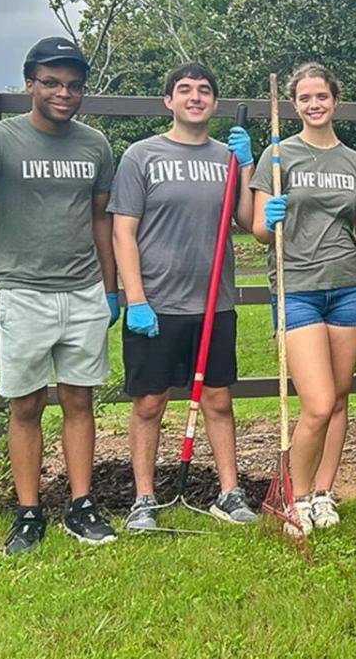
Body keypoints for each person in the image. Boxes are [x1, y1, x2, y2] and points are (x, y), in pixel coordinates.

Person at [0, 36, 119, 554]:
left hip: (83, 289)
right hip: (23, 290)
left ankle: (81, 505)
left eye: (74, 85)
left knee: (80, 399)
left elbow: (101, 220)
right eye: (52, 82)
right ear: (30, 83)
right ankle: (29, 512)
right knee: (27, 404)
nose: (64, 92)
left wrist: (111, 289)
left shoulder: (95, 145)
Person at [109, 62, 258, 530]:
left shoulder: (227, 157)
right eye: (185, 90)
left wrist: (248, 164)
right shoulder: (141, 155)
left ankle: (230, 493)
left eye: (205, 90)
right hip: (157, 303)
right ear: (168, 101)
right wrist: (135, 298)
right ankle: (144, 499)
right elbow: (123, 231)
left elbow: (245, 222)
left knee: (218, 399)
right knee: (149, 402)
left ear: (214, 102)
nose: (196, 97)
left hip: (215, 303)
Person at [250, 63, 356, 534]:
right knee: (317, 403)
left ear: (335, 101)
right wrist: (271, 216)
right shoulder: (278, 155)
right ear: (294, 104)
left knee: (341, 398)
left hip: (347, 288)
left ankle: (324, 493)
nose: (314, 104)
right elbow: (261, 231)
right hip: (297, 286)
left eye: (321, 96)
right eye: (305, 98)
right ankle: (294, 496)